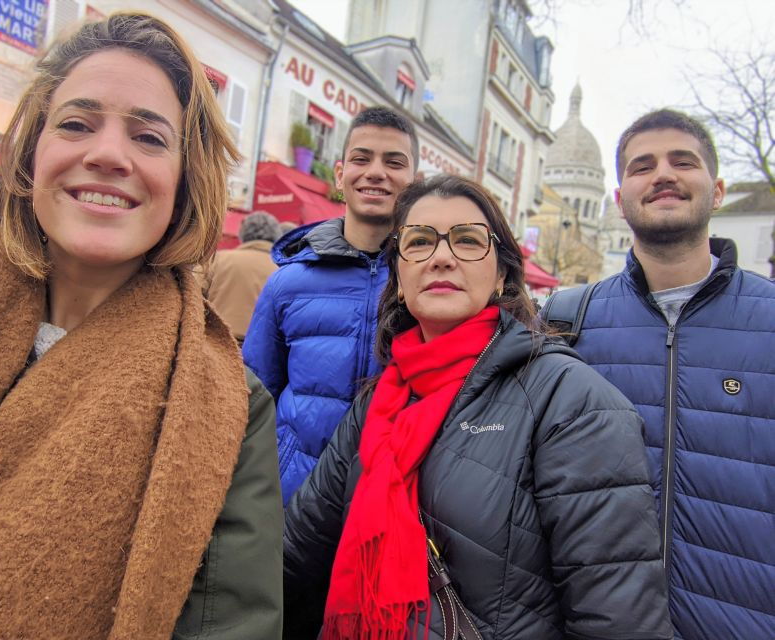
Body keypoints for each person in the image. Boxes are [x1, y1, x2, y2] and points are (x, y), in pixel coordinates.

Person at [0, 13, 282, 640]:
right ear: (31, 153)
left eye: (149, 138)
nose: (107, 154)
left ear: (185, 178)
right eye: (75, 124)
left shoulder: (232, 407)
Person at [283, 175, 673, 640]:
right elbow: (298, 546)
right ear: (400, 277)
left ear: (502, 276)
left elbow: (617, 617)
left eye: (468, 241)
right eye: (419, 241)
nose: (442, 256)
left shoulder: (570, 401)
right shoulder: (378, 401)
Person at [551, 110, 775, 639]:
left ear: (717, 190)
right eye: (642, 165)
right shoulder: (565, 322)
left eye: (683, 161)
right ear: (619, 197)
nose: (663, 175)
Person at [243, 106, 418, 505]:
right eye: (361, 158)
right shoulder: (287, 283)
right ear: (340, 175)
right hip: (291, 498)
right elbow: (253, 399)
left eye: (394, 162)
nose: (375, 172)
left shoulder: (428, 282)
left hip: (391, 503)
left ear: (414, 183)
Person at [201, 210, 281, 344]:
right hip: (262, 350)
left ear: (242, 234)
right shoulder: (282, 269)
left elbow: (192, 297)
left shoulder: (216, 260)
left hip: (214, 345)